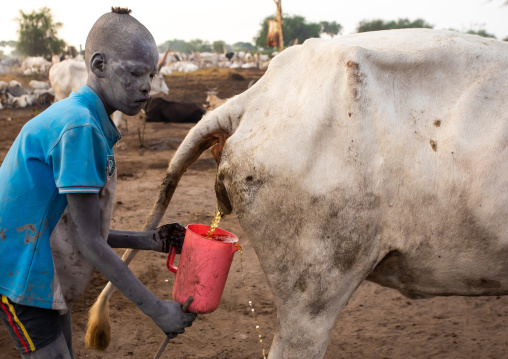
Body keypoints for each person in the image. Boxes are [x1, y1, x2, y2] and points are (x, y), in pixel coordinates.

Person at [0, 8, 196, 358]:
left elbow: (79, 228)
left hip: (33, 262)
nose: (147, 87)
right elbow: (88, 241)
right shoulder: (81, 128)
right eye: (135, 73)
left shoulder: (83, 118)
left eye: (150, 74)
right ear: (99, 65)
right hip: (16, 272)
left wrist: (152, 241)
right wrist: (157, 309)